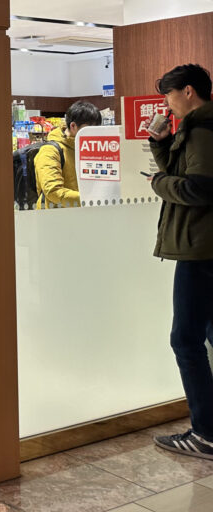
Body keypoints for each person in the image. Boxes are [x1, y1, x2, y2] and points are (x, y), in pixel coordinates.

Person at [147, 63, 213, 460]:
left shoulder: (202, 130)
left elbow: (199, 188)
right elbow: (187, 173)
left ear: (188, 91)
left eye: (169, 96)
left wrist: (158, 184)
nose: (167, 104)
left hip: (199, 249)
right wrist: (162, 144)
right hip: (204, 247)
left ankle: (205, 433)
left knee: (185, 340)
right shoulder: (197, 128)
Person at [34, 100, 103, 208]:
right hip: (55, 215)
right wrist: (89, 199)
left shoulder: (90, 147)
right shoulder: (50, 150)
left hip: (82, 213)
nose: (94, 134)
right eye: (89, 129)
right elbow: (52, 191)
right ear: (73, 126)